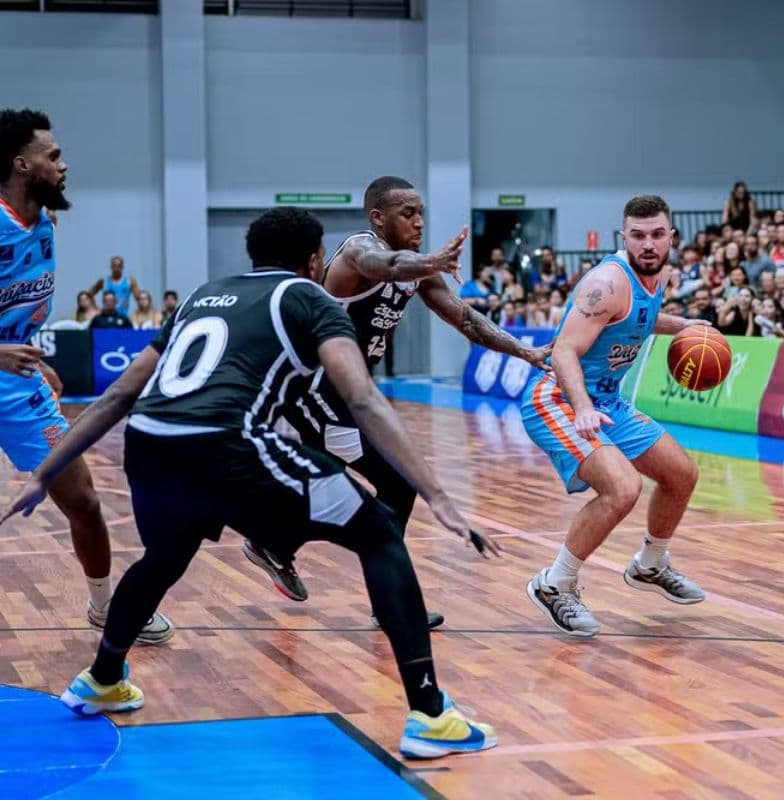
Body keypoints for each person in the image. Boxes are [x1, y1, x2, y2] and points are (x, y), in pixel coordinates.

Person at [1, 207, 500, 760]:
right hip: (224, 444)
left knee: (164, 557)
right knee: (381, 532)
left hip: (149, 444)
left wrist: (46, 472)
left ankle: (102, 676)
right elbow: (361, 398)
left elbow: (121, 394)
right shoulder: (310, 298)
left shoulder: (202, 294)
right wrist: (437, 494)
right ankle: (431, 715)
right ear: (315, 260)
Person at [241, 177, 550, 630]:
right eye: (408, 213)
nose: (420, 221)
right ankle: (370, 593)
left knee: (374, 487)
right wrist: (427, 261)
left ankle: (275, 542)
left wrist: (522, 349)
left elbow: (465, 318)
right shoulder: (358, 252)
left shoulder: (419, 269)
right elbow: (385, 263)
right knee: (392, 486)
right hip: (314, 390)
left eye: (421, 211)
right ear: (378, 218)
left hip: (344, 391)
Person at [0, 108, 171, 644]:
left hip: (18, 386)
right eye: (53, 157)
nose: (64, 165)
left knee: (83, 500)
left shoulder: (46, 222)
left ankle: (106, 606)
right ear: (22, 165)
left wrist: (33, 356)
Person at [521, 195, 705, 637]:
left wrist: (686, 326)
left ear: (671, 238)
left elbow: (639, 318)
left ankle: (650, 564)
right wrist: (582, 409)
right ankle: (554, 584)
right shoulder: (606, 281)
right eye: (638, 235)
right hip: (561, 399)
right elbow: (565, 349)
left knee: (682, 474)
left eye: (657, 235)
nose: (648, 244)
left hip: (606, 401)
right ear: (623, 237)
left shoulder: (655, 275)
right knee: (623, 487)